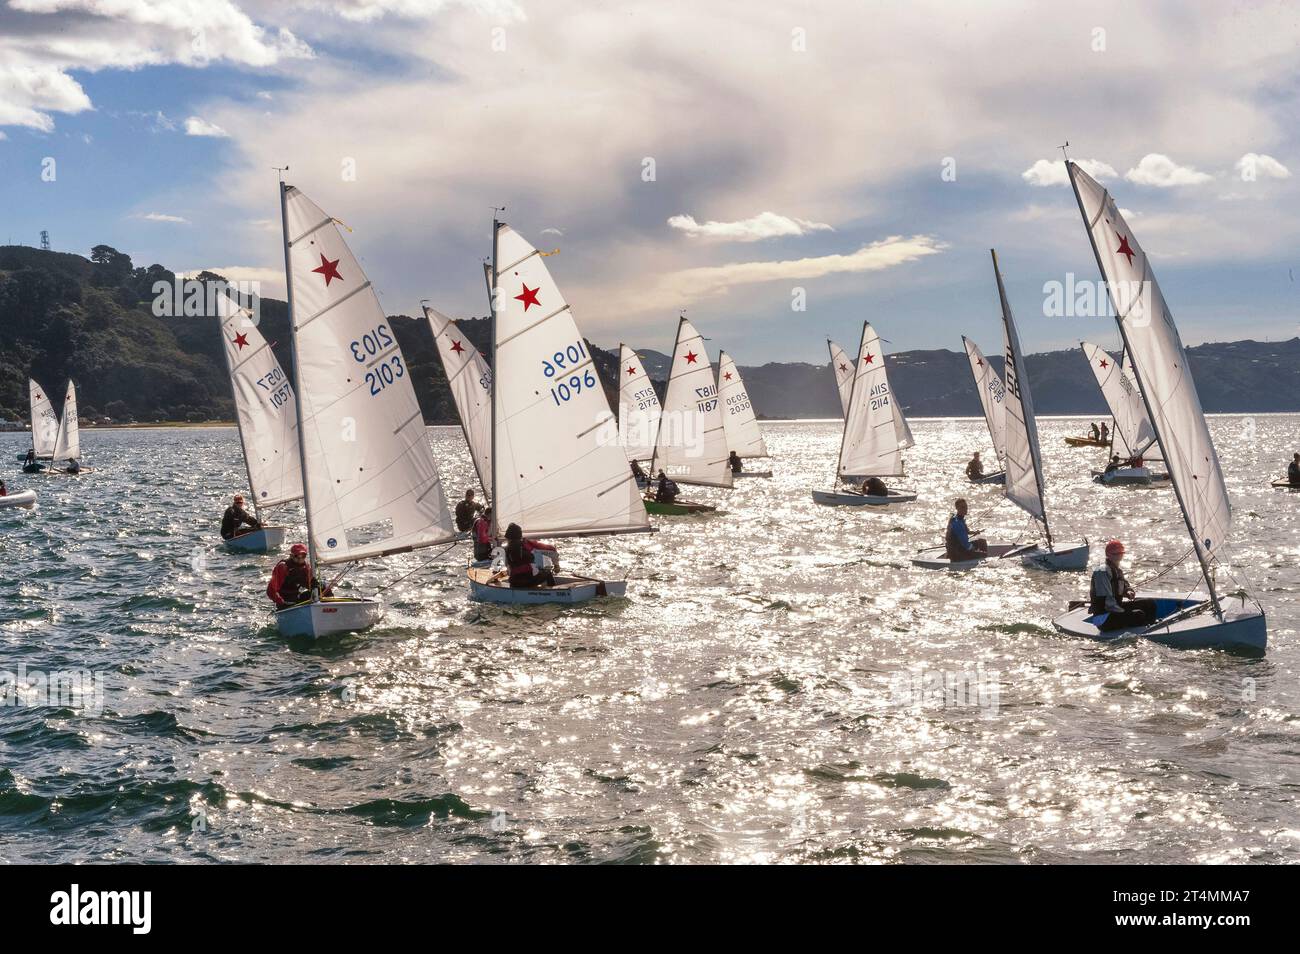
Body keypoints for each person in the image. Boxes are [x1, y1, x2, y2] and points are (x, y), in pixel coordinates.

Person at [1089, 540, 1159, 630]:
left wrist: (1128, 591)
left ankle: (1150, 627)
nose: (1118, 556)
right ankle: (1143, 630)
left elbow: (1123, 585)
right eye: (1115, 554)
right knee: (1138, 614)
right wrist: (1125, 612)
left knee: (1150, 604)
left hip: (1116, 609)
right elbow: (1106, 601)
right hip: (1103, 617)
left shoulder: (1117, 570)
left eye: (1120, 553)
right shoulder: (1101, 571)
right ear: (1108, 555)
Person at [266, 543, 331, 608]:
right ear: (291, 556)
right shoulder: (283, 567)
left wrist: (313, 584)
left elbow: (308, 585)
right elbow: (270, 591)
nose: (300, 559)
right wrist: (280, 602)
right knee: (290, 600)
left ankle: (328, 609)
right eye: (297, 556)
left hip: (297, 598)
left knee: (325, 588)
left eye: (303, 556)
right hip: (285, 602)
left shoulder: (306, 567)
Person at [503, 522, 558, 589]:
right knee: (547, 573)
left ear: (508, 536)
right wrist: (556, 565)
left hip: (514, 582)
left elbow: (508, 566)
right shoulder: (525, 544)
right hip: (527, 581)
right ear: (519, 535)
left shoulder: (506, 549)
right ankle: (553, 592)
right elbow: (550, 549)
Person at [944, 498, 987, 562]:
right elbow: (965, 543)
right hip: (956, 553)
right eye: (962, 507)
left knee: (981, 541)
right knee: (982, 554)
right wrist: (974, 549)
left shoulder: (959, 519)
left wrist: (975, 532)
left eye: (966, 507)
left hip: (958, 548)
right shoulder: (957, 522)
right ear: (957, 508)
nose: (965, 509)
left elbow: (966, 532)